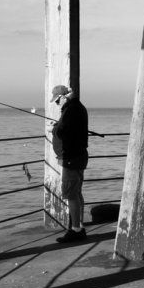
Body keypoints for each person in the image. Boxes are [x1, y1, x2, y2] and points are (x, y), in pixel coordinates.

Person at [51, 84, 89, 243]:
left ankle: (76, 230)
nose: (57, 104)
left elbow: (63, 130)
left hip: (71, 158)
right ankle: (78, 225)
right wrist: (59, 126)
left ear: (63, 97)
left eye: (57, 101)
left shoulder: (71, 109)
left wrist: (54, 129)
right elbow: (70, 128)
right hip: (79, 156)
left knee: (71, 194)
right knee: (77, 192)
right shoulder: (78, 107)